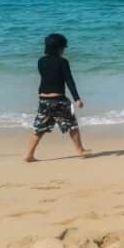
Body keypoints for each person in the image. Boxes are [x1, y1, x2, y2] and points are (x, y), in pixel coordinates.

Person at [24, 34, 90, 162]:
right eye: (63, 47)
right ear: (59, 48)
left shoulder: (41, 61)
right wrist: (77, 98)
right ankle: (80, 150)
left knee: (39, 128)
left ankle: (29, 154)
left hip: (43, 100)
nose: (64, 50)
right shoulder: (63, 62)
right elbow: (69, 80)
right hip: (59, 100)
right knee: (72, 125)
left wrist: (40, 94)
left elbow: (45, 79)